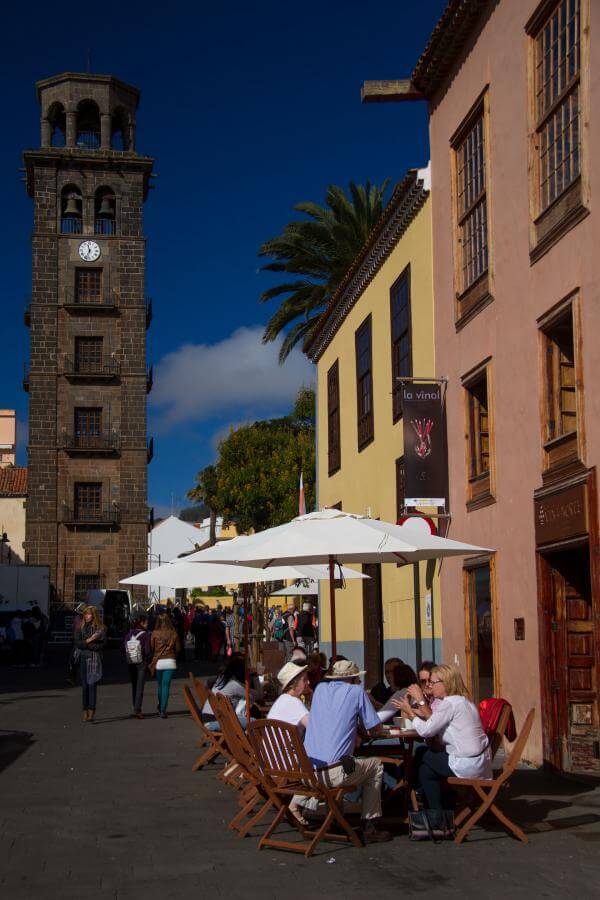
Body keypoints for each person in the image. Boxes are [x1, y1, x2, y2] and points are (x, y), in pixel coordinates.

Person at [303, 659, 392, 843]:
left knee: (343, 761)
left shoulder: (319, 690)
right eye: (357, 679)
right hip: (333, 773)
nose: (359, 682)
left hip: (308, 772)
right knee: (375, 766)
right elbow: (374, 728)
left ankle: (335, 818)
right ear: (352, 678)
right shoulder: (355, 691)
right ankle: (370, 823)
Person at [395, 663, 492, 811]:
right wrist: (413, 711)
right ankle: (436, 813)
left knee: (422, 754)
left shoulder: (450, 704)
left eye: (433, 682)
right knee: (426, 771)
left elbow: (427, 731)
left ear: (446, 683)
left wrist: (413, 710)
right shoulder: (463, 701)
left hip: (467, 764)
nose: (430, 686)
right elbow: (435, 721)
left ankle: (408, 790)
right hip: (479, 763)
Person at [268, 662, 311, 824]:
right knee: (327, 763)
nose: (308, 683)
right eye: (305, 680)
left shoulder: (282, 701)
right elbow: (316, 728)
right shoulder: (294, 703)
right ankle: (300, 803)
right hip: (286, 768)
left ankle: (305, 804)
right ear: (294, 683)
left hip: (271, 764)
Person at [201, 655, 260, 729]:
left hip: (207, 718)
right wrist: (255, 676)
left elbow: (209, 680)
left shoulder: (221, 679)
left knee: (246, 715)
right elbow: (259, 695)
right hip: (216, 721)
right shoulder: (234, 685)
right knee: (255, 722)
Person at [74, 606, 107, 723]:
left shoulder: (101, 628)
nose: (86, 616)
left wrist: (87, 644)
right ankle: (85, 711)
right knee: (84, 686)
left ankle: (91, 711)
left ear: (94, 615)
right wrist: (89, 641)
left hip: (94, 658)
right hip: (83, 658)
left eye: (88, 614)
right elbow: (77, 643)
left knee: (92, 685)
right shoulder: (80, 627)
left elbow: (102, 644)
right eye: (85, 614)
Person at [149, 613, 180, 718]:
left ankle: (160, 706)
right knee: (166, 686)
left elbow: (152, 648)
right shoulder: (174, 633)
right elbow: (179, 648)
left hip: (158, 661)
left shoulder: (154, 633)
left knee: (160, 685)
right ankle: (163, 710)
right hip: (170, 661)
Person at [124, 614, 152, 718]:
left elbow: (123, 646)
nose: (147, 624)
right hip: (141, 662)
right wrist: (148, 660)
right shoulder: (145, 634)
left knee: (134, 685)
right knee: (140, 686)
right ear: (142, 623)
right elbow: (147, 650)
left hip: (131, 661)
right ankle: (138, 709)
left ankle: (134, 706)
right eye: (146, 622)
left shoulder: (129, 633)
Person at [268, 662, 310, 731]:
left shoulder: (283, 699)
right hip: (287, 742)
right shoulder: (293, 702)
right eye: (304, 679)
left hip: (270, 742)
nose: (308, 682)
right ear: (295, 683)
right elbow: (314, 728)